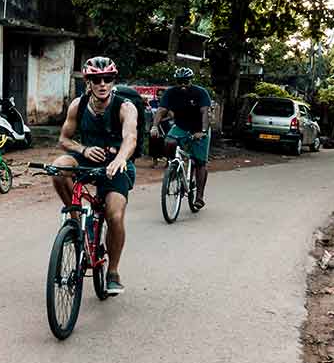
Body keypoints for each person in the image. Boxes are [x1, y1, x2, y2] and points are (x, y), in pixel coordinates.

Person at [51, 55, 137, 296]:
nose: (102, 84)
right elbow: (63, 140)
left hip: (116, 166)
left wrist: (120, 159)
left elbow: (130, 138)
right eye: (96, 79)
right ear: (88, 82)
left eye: (107, 79)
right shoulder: (78, 106)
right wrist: (83, 149)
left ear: (112, 81)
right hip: (88, 159)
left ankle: (113, 272)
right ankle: (75, 221)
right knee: (58, 168)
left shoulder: (124, 107)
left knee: (114, 215)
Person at [153, 66, 213, 209]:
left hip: (199, 128)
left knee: (200, 162)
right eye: (180, 82)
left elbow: (205, 113)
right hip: (181, 126)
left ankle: (199, 197)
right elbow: (161, 110)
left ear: (190, 81)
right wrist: (154, 126)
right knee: (169, 141)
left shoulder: (200, 92)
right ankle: (173, 166)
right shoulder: (170, 93)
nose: (183, 85)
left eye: (186, 81)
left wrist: (203, 131)